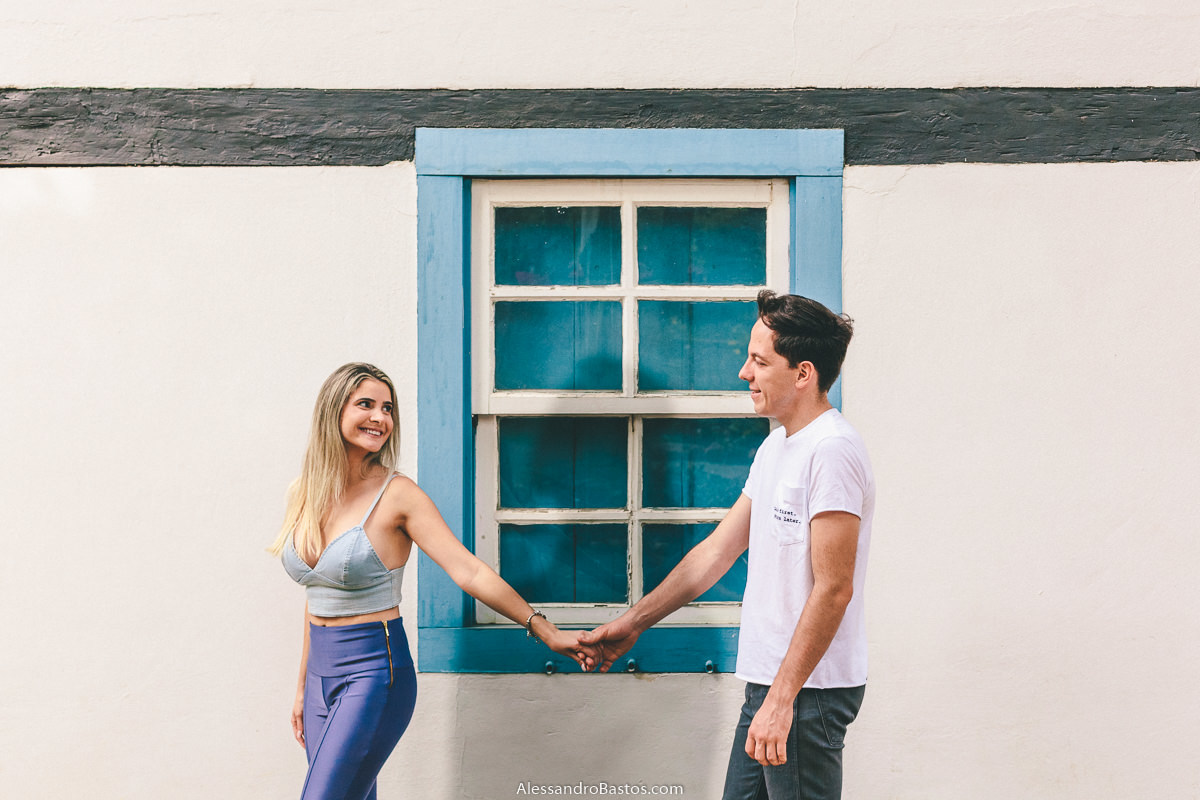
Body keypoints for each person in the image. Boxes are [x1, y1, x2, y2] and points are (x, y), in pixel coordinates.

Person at [579, 291, 875, 800]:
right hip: (770, 682)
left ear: (803, 373)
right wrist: (633, 623)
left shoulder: (832, 452)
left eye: (760, 361)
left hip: (807, 693)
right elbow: (716, 552)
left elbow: (834, 589)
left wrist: (782, 702)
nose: (744, 373)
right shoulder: (777, 444)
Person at [269, 362, 595, 800]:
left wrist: (545, 629)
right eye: (365, 404)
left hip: (373, 673)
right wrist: (301, 686)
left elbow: (470, 570)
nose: (380, 418)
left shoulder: (398, 495)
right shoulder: (305, 492)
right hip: (319, 682)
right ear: (334, 410)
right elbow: (317, 595)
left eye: (388, 409)